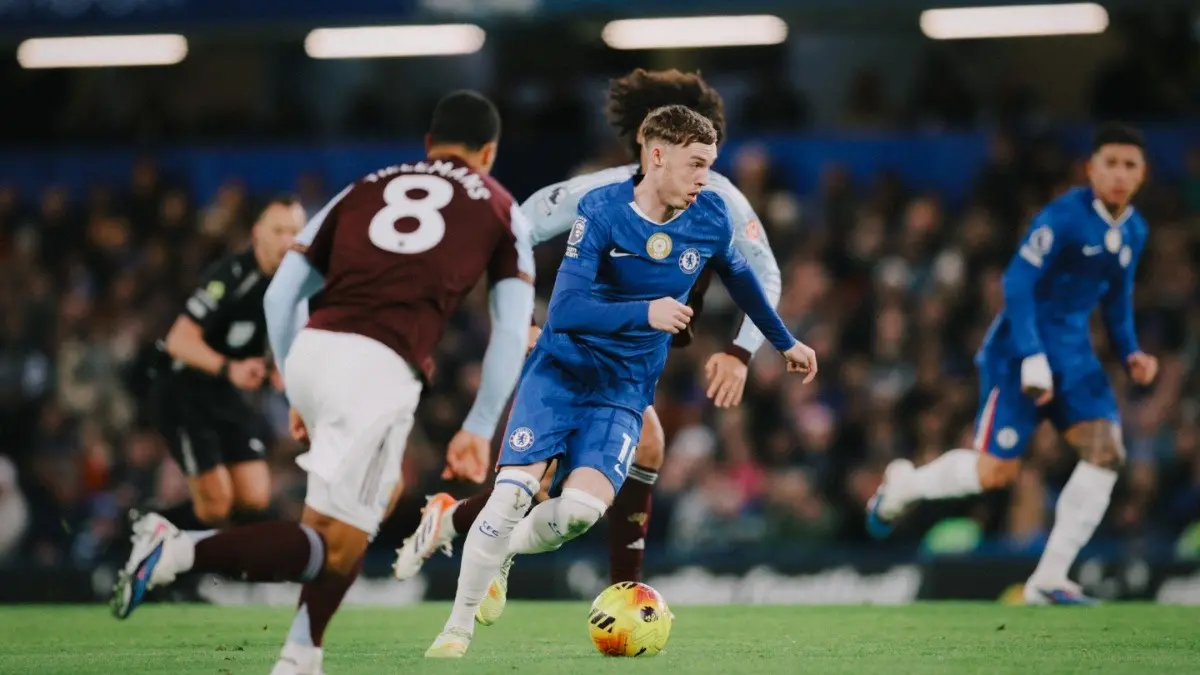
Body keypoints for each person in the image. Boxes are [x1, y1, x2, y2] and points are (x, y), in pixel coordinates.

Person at [110, 90, 536, 675]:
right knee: (340, 543)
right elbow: (512, 331)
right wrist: (480, 426)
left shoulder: (361, 187)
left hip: (313, 348)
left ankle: (301, 654)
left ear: (428, 146)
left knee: (340, 518)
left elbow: (283, 294)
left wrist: (294, 383)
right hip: (378, 368)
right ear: (488, 152)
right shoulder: (499, 205)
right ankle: (176, 548)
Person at [425, 104, 816, 658]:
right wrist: (645, 314)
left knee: (580, 513)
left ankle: (499, 551)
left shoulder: (710, 217)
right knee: (513, 493)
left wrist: (784, 342)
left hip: (622, 392)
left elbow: (746, 280)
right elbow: (565, 310)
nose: (704, 178)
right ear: (657, 157)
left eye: (710, 165)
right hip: (559, 372)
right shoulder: (603, 209)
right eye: (695, 164)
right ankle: (456, 630)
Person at [394, 67, 781, 587]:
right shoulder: (601, 193)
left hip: (633, 355)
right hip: (578, 346)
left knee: (632, 451)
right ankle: (614, 584)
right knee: (572, 467)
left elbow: (763, 274)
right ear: (652, 141)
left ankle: (458, 524)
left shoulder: (717, 199)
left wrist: (741, 351)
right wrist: (523, 318)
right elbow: (513, 232)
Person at [867, 122, 1158, 605]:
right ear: (1091, 168)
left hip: (1075, 356)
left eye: (1130, 165)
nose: (1120, 174)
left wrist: (1130, 351)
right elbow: (1018, 284)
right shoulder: (1062, 218)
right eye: (1111, 163)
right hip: (1017, 351)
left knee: (1106, 452)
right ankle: (903, 486)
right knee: (995, 473)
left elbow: (1118, 297)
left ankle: (1049, 578)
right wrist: (1033, 357)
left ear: (1143, 172)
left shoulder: (1135, 230)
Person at [149, 197, 304, 528]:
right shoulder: (232, 275)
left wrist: (277, 369)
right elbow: (178, 340)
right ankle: (146, 528)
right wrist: (229, 368)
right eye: (278, 230)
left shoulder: (293, 285)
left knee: (255, 497)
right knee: (216, 505)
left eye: (295, 231)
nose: (287, 240)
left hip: (224, 392)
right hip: (182, 390)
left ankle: (209, 563)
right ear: (257, 233)